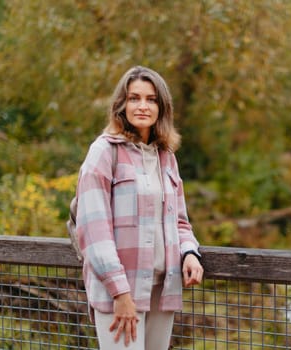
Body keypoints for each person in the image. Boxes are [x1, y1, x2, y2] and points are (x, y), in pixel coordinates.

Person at [75, 66, 204, 350]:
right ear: (122, 104)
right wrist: (120, 293)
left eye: (151, 99)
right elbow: (93, 231)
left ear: (162, 107)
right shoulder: (104, 152)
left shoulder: (166, 157)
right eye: (134, 98)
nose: (143, 106)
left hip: (163, 289)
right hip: (120, 292)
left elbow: (180, 222)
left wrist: (190, 253)